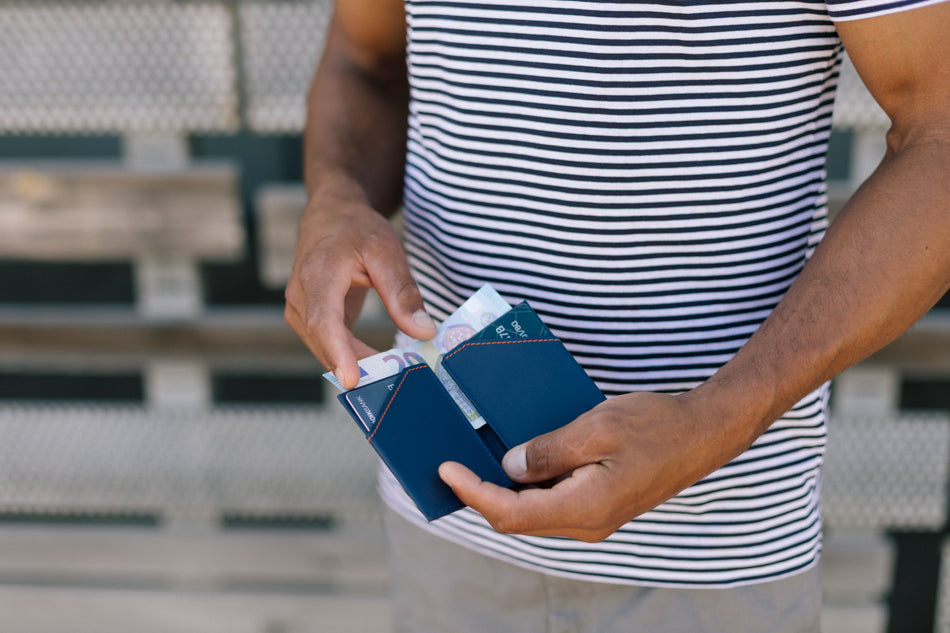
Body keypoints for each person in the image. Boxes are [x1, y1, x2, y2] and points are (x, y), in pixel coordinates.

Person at [285, 0, 950, 630]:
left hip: (707, 556)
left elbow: (939, 134)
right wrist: (337, 197)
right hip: (449, 520)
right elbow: (363, 56)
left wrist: (720, 415)